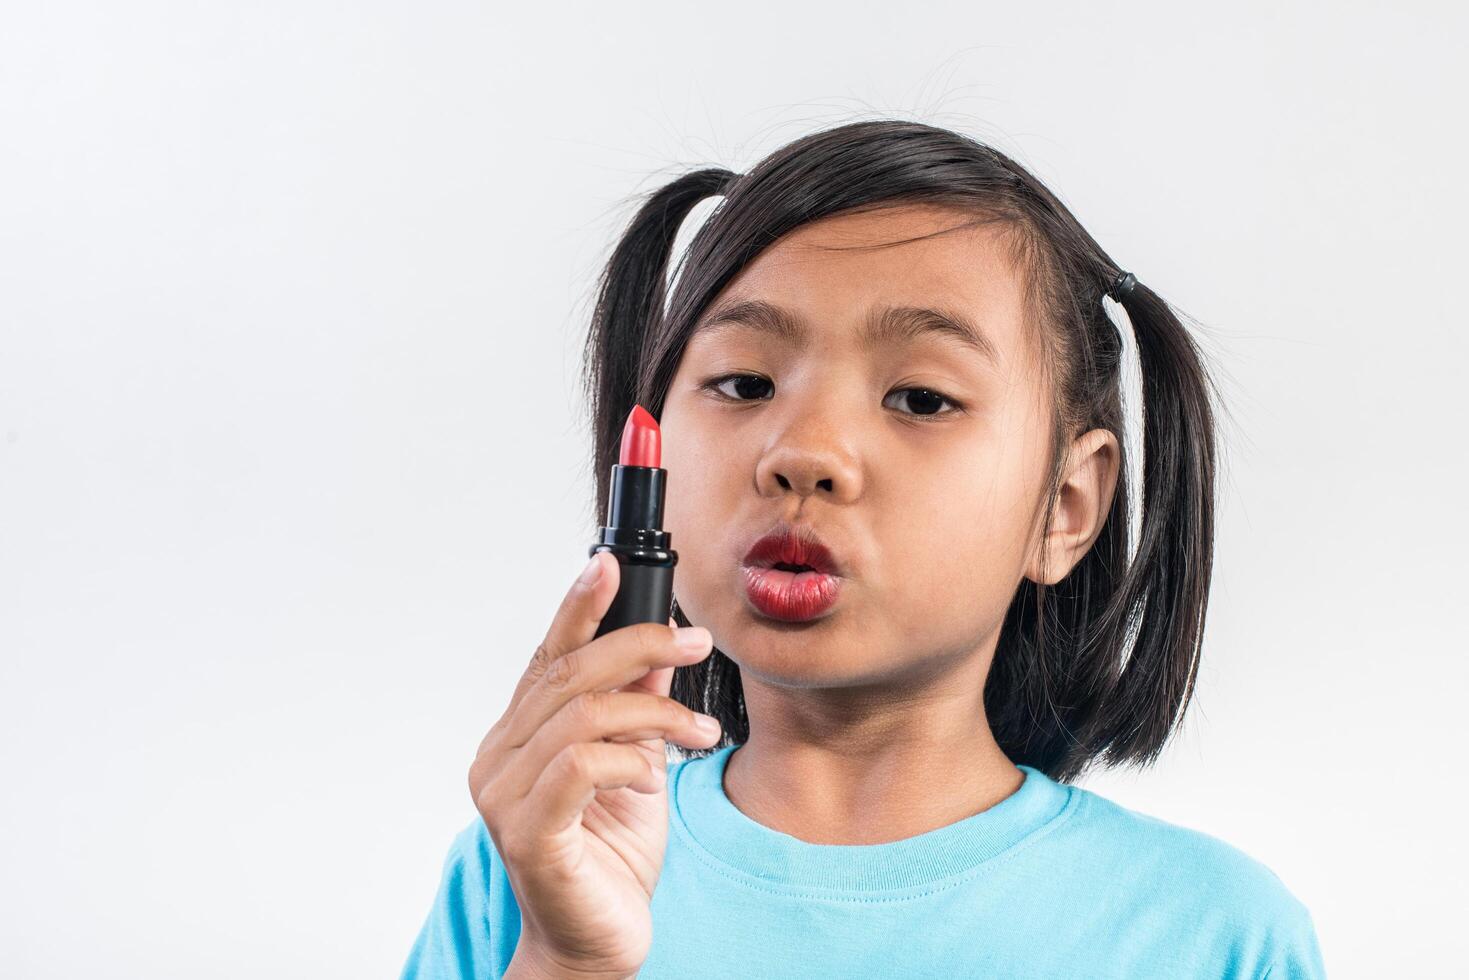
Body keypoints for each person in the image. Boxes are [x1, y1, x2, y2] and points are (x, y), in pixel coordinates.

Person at [399, 119, 1327, 979]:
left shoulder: (1208, 931)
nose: (801, 452)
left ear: (1065, 505)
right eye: (744, 381)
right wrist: (566, 962)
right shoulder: (530, 859)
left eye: (921, 399)